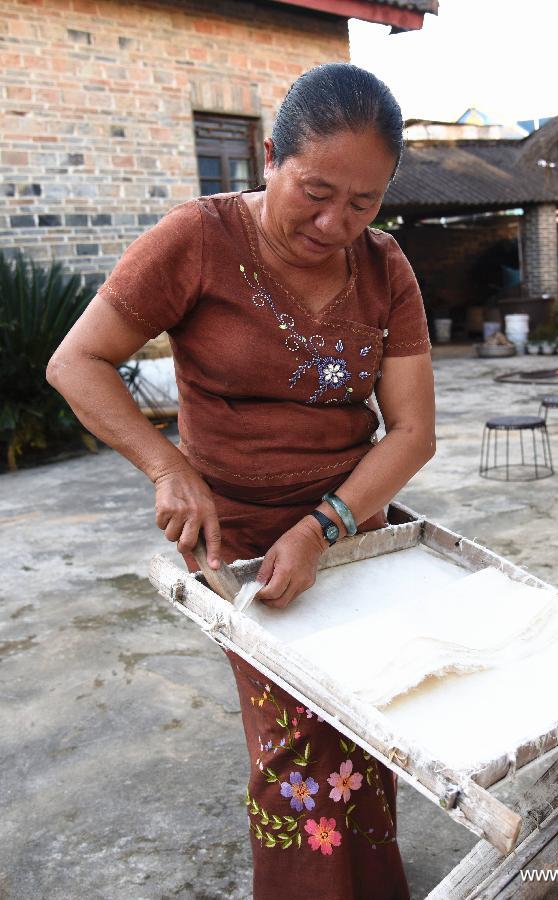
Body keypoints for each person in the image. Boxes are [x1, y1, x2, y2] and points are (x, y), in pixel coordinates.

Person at [47, 63, 435, 899]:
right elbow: (76, 362)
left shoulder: (386, 268)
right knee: (296, 745)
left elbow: (411, 432)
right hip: (244, 544)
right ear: (270, 157)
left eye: (363, 203)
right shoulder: (197, 240)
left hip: (354, 527)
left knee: (365, 724)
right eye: (316, 191)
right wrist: (167, 464)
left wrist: (325, 524)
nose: (336, 223)